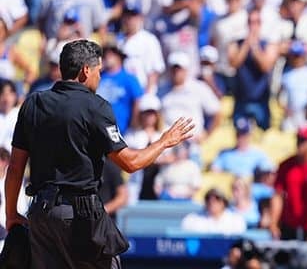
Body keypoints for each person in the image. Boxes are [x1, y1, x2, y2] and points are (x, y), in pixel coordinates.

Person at [5, 39, 194, 268]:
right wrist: (164, 142)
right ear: (86, 70)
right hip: (80, 217)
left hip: (41, 215)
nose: (100, 77)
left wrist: (11, 213)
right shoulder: (95, 106)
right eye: (98, 71)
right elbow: (130, 163)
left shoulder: (33, 103)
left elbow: (15, 168)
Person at [181, 188, 247, 235]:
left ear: (224, 202)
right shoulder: (192, 219)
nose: (212, 202)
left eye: (217, 198)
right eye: (208, 198)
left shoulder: (236, 220)